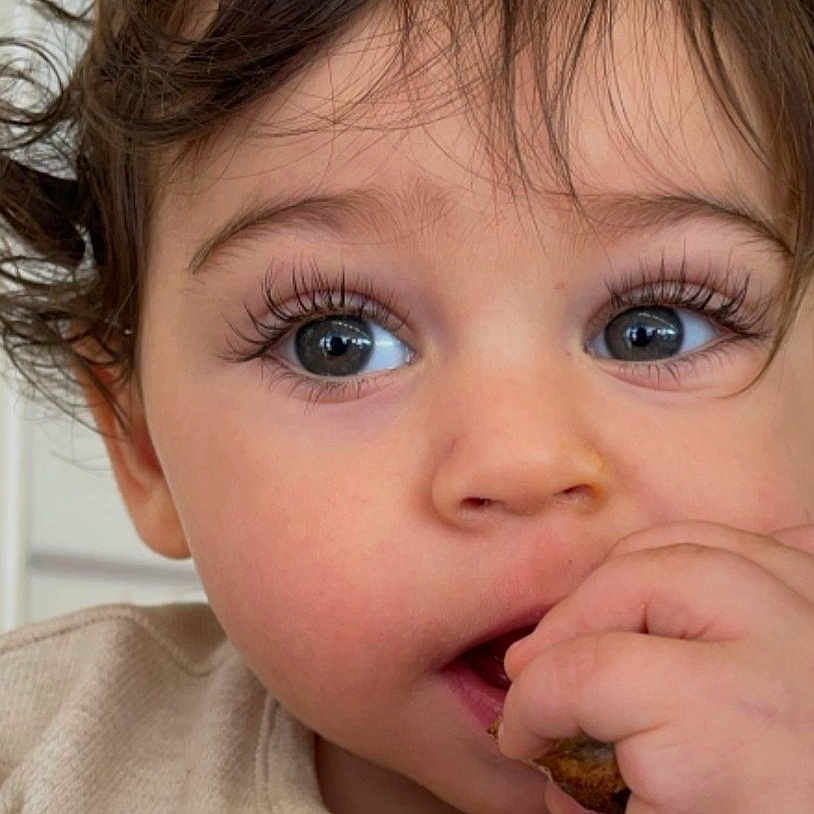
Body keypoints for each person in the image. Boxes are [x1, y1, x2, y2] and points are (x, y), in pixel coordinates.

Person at [2, 0, 814, 812]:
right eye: (336, 341)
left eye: (651, 331)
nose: (520, 462)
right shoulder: (46, 751)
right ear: (139, 442)